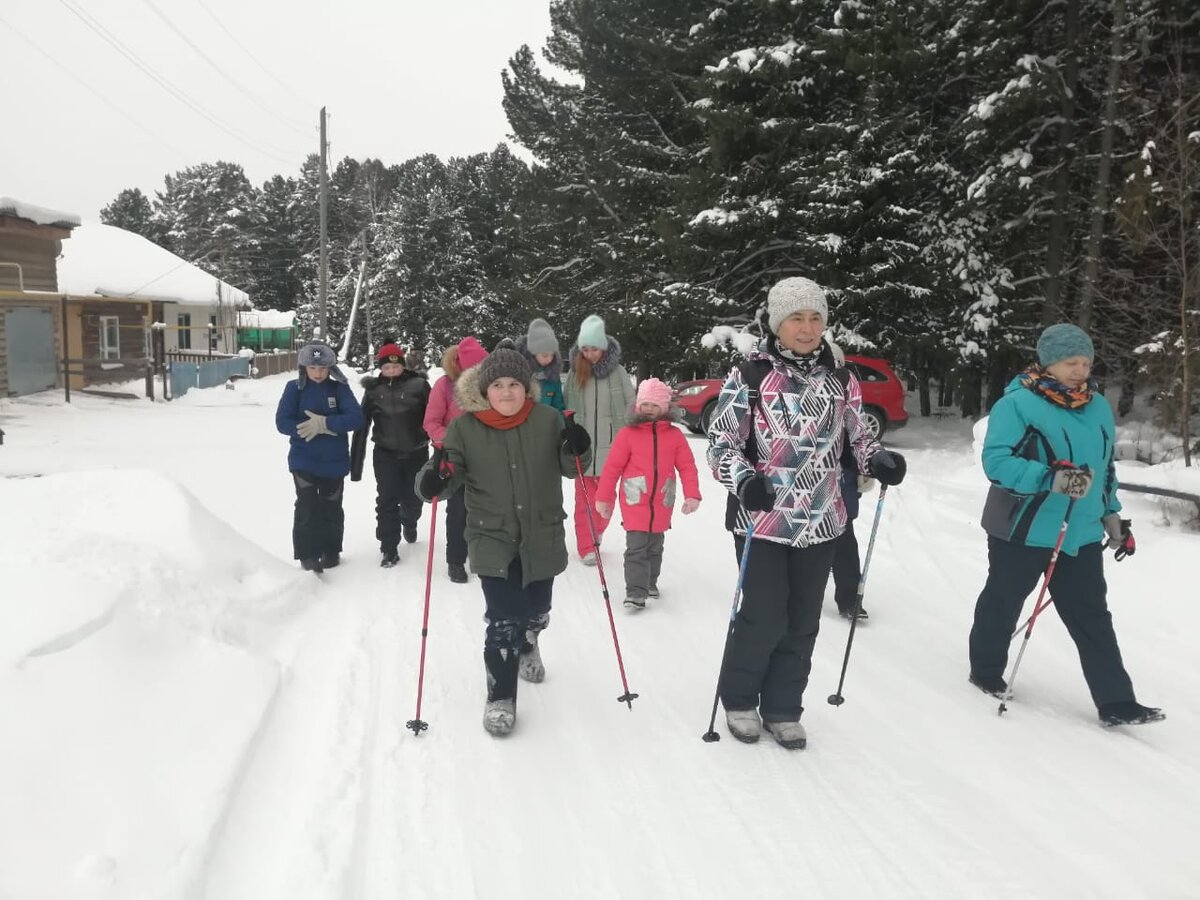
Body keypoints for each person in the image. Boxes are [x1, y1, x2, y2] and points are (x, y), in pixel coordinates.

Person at [708, 277, 905, 749]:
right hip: (763, 518)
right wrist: (744, 479)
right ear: (777, 323)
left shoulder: (841, 378)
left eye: (815, 317)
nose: (807, 327)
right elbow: (721, 445)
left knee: (802, 619)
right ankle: (738, 699)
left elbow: (858, 437)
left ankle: (782, 707)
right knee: (763, 614)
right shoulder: (750, 375)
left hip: (823, 518)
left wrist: (876, 459)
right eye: (797, 317)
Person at [968, 323, 1162, 727]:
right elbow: (997, 462)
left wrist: (1112, 517)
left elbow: (1105, 469)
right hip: (1023, 526)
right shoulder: (1017, 404)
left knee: (1092, 615)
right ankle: (985, 670)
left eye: (1085, 362)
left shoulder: (1097, 407)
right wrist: (1049, 478)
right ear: (1048, 362)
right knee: (1003, 601)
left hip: (1080, 533)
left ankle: (1116, 702)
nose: (1080, 370)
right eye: (1070, 362)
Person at [416, 349, 592, 736]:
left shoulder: (547, 420)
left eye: (514, 384)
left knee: (537, 610)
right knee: (503, 620)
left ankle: (531, 639)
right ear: (484, 389)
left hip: (542, 534)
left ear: (526, 387)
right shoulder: (465, 428)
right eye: (498, 385)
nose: (507, 392)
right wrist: (434, 479)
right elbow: (447, 474)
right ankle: (501, 696)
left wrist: (577, 447)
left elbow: (572, 467)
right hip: (491, 535)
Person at [594, 377, 701, 610]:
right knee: (636, 547)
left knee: (655, 546)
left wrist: (692, 494)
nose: (649, 409)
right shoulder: (628, 434)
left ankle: (650, 582)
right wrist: (604, 498)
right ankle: (635, 591)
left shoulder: (674, 436)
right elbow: (612, 467)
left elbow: (687, 466)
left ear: (664, 407)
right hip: (635, 499)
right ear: (637, 405)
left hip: (662, 501)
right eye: (645, 404)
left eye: (654, 405)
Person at [274, 340, 364, 573]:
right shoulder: (293, 388)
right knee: (306, 506)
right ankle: (307, 554)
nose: (317, 373)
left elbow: (356, 418)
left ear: (330, 369)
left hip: (334, 462)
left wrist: (325, 424)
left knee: (331, 506)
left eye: (322, 368)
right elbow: (282, 422)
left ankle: (331, 550)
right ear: (304, 367)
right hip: (303, 460)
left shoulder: (339, 389)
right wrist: (305, 426)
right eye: (313, 368)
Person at [350, 343, 431, 567]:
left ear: (402, 366)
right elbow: (361, 426)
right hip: (386, 454)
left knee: (414, 498)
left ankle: (410, 520)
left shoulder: (419, 385)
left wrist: (442, 447)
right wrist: (355, 466)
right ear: (381, 369)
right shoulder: (374, 390)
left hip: (417, 452)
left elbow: (434, 418)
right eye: (387, 368)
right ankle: (388, 547)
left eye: (395, 367)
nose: (392, 371)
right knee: (386, 500)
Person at [564, 314, 635, 565]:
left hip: (612, 448)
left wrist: (630, 437)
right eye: (585, 349)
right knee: (583, 499)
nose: (590, 354)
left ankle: (598, 529)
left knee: (605, 499)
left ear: (603, 347)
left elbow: (630, 406)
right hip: (583, 449)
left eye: (594, 348)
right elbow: (567, 409)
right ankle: (587, 545)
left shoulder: (618, 373)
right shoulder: (575, 374)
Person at [423, 336, 489, 583]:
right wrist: (454, 441)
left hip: (485, 457)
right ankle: (455, 560)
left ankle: (479, 553)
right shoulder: (444, 386)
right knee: (458, 509)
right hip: (453, 456)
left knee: (484, 508)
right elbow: (431, 422)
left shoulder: (490, 385)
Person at [827, 341, 874, 621]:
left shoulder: (848, 390)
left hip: (842, 480)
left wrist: (865, 468)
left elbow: (860, 434)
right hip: (806, 487)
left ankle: (850, 600)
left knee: (844, 541)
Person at [515, 318, 566, 414]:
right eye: (545, 355)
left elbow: (558, 406)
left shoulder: (553, 376)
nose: (549, 359)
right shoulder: (519, 373)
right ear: (533, 353)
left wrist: (561, 424)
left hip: (547, 426)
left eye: (552, 355)